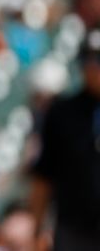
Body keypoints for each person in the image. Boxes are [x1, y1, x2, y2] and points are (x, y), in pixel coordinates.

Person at [28, 29, 100, 251]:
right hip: (73, 231)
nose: (95, 66)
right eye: (90, 58)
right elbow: (44, 175)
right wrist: (38, 230)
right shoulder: (62, 113)